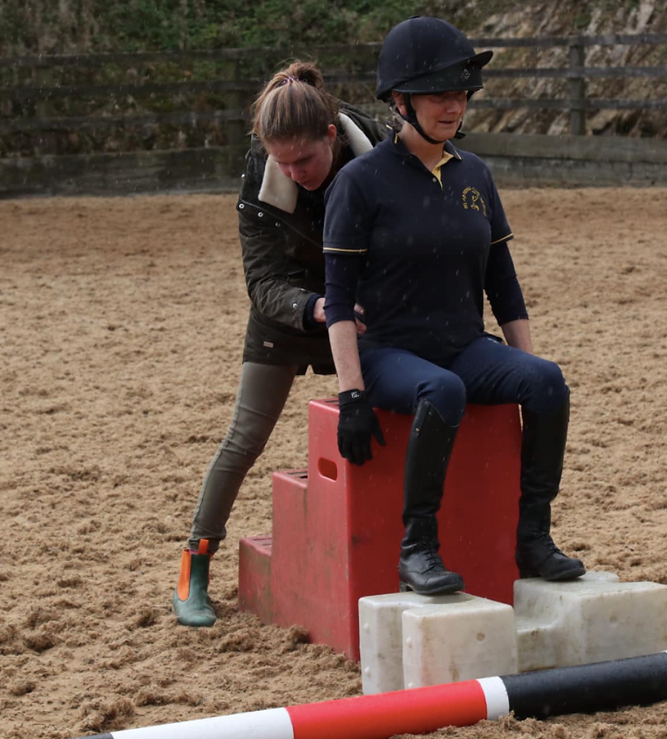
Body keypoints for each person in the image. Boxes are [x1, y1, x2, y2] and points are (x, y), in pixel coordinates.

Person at [321, 16, 586, 597]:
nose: (454, 106)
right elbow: (338, 299)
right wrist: (352, 394)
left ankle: (533, 538)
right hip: (389, 349)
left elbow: (504, 283)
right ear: (400, 99)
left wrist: (524, 375)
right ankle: (416, 550)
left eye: (460, 94)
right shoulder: (360, 182)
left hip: (463, 345)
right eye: (439, 94)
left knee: (548, 382)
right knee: (441, 390)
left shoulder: (477, 176)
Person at [172, 62, 386, 627]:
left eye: (304, 161)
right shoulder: (260, 175)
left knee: (389, 419)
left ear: (332, 137)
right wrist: (311, 308)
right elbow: (261, 281)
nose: (293, 171)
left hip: (361, 311)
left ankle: (401, 549)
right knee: (244, 437)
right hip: (288, 312)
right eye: (281, 162)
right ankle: (193, 564)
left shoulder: (380, 154)